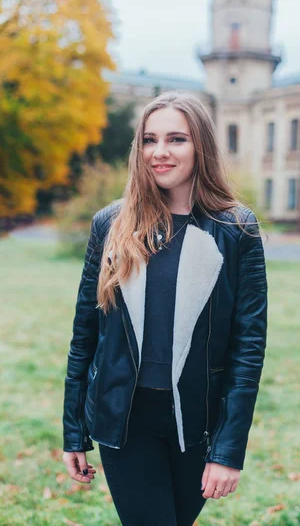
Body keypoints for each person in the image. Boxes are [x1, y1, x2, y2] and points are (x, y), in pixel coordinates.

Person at [62, 91, 268, 526]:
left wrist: (228, 451)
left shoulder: (237, 229)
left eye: (176, 139)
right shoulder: (111, 225)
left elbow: (248, 349)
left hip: (197, 422)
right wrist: (73, 432)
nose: (159, 152)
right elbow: (86, 335)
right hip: (125, 422)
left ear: (201, 147)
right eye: (149, 140)